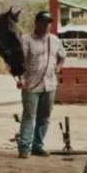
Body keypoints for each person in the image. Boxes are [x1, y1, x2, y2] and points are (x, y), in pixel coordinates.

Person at [15, 11, 66, 158]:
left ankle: (37, 146)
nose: (47, 26)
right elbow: (19, 61)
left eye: (48, 23)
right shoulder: (26, 40)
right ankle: (25, 147)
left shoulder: (54, 40)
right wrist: (20, 78)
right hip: (31, 83)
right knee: (29, 116)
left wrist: (58, 68)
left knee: (44, 117)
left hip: (50, 84)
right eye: (44, 22)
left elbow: (62, 56)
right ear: (37, 23)